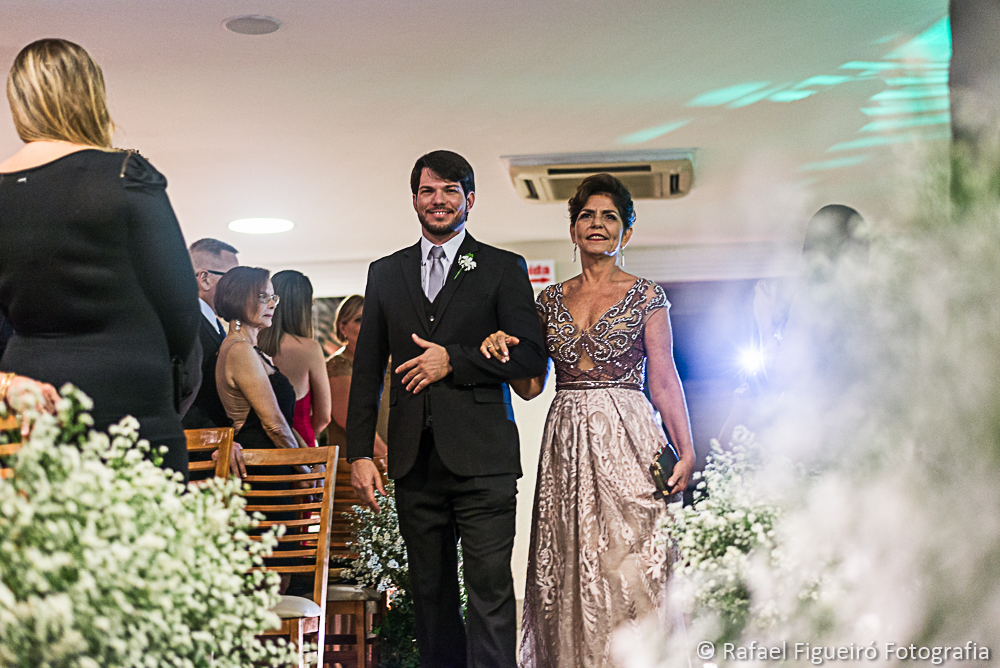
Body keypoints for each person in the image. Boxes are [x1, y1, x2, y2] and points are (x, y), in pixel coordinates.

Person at [480, 173, 696, 667]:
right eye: (587, 216)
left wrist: (686, 449)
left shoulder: (647, 296)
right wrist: (502, 355)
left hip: (630, 437)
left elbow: (664, 379)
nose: (597, 224)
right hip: (567, 442)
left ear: (627, 232)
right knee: (572, 566)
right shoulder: (547, 301)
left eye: (610, 217)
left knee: (637, 560)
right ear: (574, 229)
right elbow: (532, 386)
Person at [346, 150, 547, 668]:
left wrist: (453, 360)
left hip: (484, 460)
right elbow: (368, 368)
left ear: (470, 200)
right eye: (429, 191)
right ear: (414, 199)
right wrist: (359, 455)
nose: (439, 201)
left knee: (490, 593)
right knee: (430, 597)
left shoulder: (502, 267)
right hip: (415, 462)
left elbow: (528, 356)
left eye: (450, 190)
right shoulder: (386, 272)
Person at [0, 38, 200, 479]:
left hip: (32, 397)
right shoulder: (126, 174)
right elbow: (180, 304)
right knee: (144, 535)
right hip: (130, 392)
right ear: (90, 94)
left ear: (18, 100)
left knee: (42, 540)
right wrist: (173, 377)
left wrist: (9, 384)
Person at [257, 270, 331, 446]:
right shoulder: (309, 348)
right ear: (304, 307)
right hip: (300, 447)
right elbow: (324, 416)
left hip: (259, 445)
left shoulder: (250, 343)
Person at [183, 238, 240, 430]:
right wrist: (213, 437)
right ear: (205, 279)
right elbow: (183, 396)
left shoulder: (215, 323)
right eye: (232, 279)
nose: (238, 288)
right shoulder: (187, 326)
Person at [325, 295, 388, 460]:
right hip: (356, 462)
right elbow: (350, 421)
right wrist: (388, 457)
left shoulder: (388, 363)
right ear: (343, 327)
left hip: (391, 462)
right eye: (359, 319)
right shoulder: (337, 366)